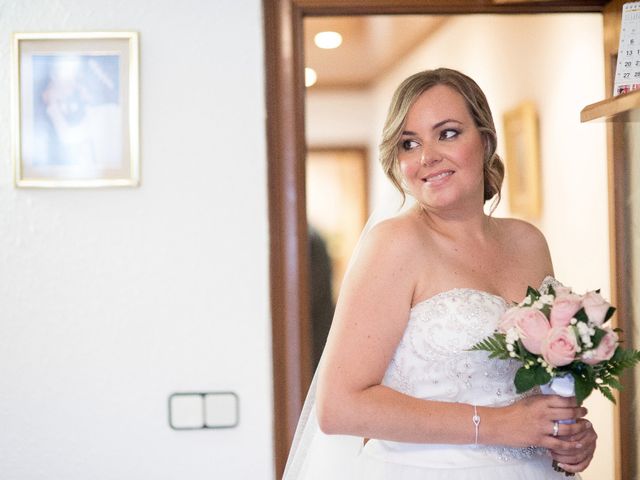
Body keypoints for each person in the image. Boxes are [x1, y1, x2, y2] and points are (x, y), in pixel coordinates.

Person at [284, 68, 597, 479]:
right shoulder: (396, 244)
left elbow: (534, 386)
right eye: (409, 144)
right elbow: (339, 407)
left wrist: (566, 437)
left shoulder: (528, 242)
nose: (427, 157)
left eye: (447, 133)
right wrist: (501, 425)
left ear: (485, 140)